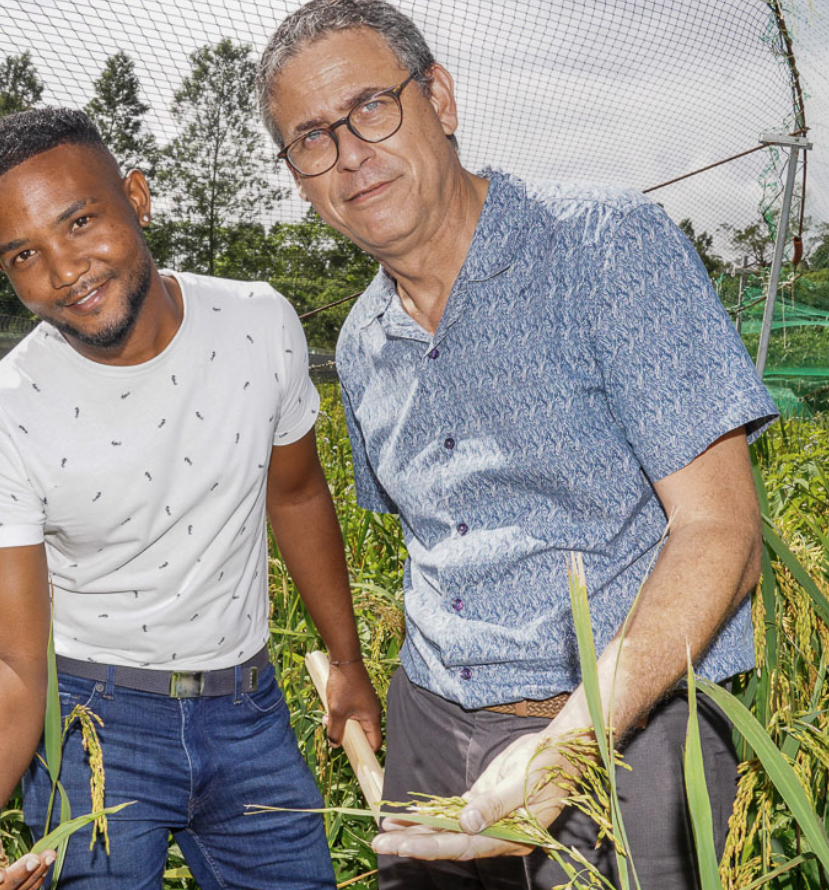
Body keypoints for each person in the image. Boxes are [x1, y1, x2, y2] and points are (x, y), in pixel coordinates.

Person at [256, 2, 779, 888]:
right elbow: (435, 545)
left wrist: (570, 744)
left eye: (371, 109)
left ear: (441, 101)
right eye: (310, 139)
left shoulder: (603, 248)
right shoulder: (359, 342)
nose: (349, 155)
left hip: (631, 727)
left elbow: (722, 533)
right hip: (432, 718)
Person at [0, 107, 382, 890]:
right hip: (93, 725)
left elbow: (295, 495)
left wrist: (347, 662)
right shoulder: (0, 415)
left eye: (81, 221)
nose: (64, 271)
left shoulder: (260, 324)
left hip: (248, 708)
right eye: (24, 255)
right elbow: (8, 648)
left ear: (137, 197)